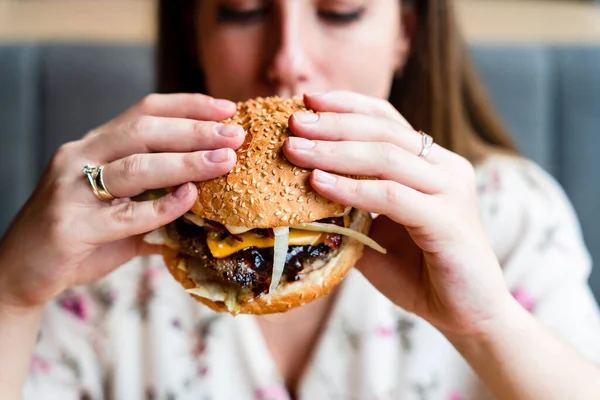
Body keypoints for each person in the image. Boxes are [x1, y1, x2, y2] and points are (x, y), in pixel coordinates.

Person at [1, 0, 600, 399]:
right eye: (243, 10)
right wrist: (11, 295)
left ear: (405, 33)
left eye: (339, 10)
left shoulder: (509, 214)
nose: (287, 60)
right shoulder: (98, 243)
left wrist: (488, 326)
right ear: (197, 36)